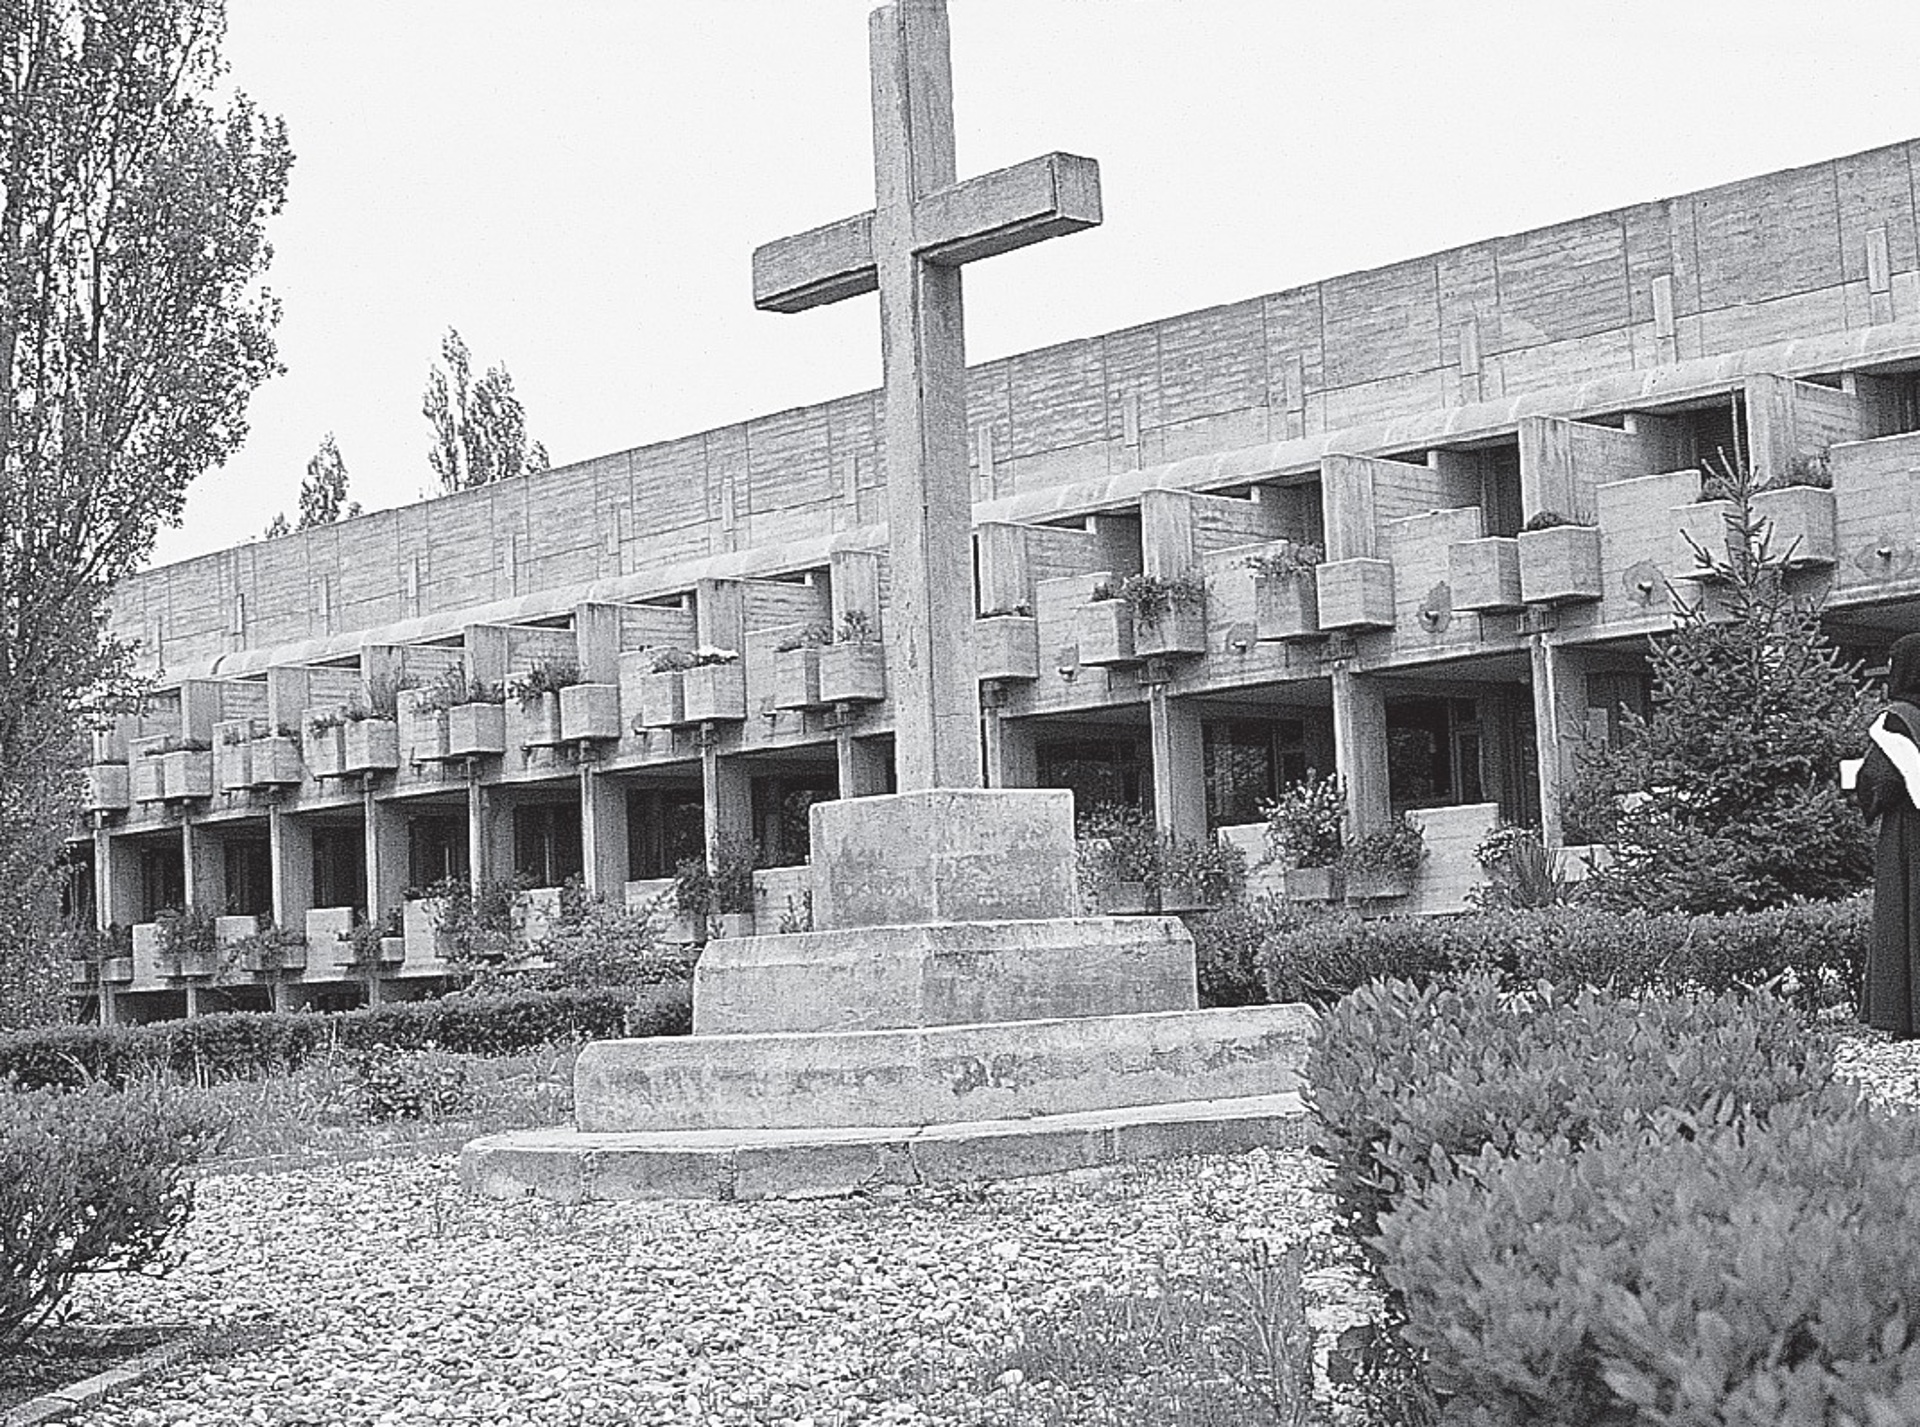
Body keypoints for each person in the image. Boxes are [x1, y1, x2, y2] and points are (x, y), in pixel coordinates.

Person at [1853, 631, 1920, 1039]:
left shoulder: (1898, 720)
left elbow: (1878, 781)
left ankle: (1907, 1015)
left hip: (1909, 833)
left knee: (1906, 912)